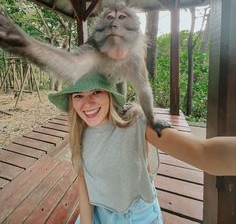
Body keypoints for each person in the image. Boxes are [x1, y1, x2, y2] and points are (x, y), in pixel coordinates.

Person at [48, 73, 236, 224]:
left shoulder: (135, 120)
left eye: (96, 92)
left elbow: (204, 153)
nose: (87, 103)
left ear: (109, 94)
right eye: (78, 96)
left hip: (136, 215)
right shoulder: (79, 132)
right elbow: (84, 182)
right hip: (100, 212)